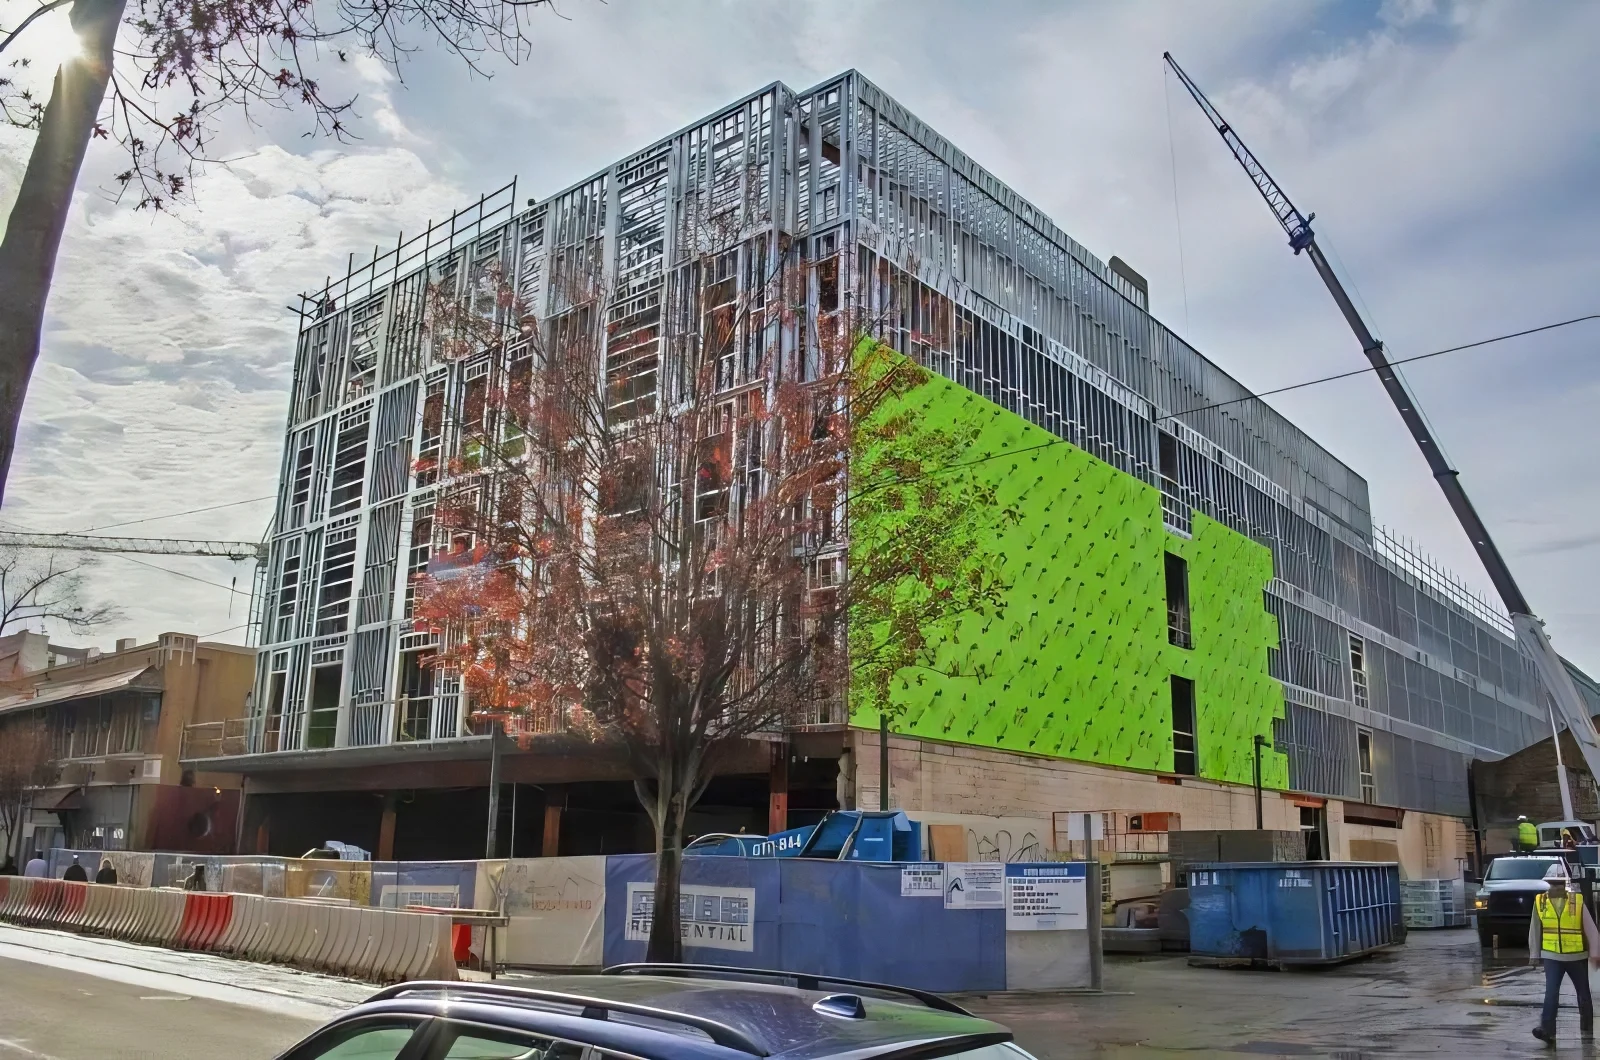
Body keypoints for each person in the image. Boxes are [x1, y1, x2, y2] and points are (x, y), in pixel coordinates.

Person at [1529, 863, 1600, 1044]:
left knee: (1583, 993)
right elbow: (1535, 929)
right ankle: (1547, 1030)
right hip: (1552, 956)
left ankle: (1587, 1029)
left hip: (1576, 956)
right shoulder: (1540, 901)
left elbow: (1591, 930)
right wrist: (1534, 954)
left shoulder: (1577, 902)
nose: (1555, 887)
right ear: (1548, 883)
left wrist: (1595, 952)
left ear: (1565, 884)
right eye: (1552, 883)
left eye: (1559, 883)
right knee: (1551, 992)